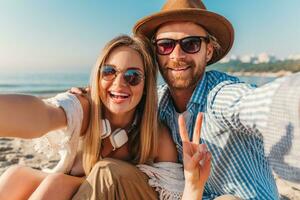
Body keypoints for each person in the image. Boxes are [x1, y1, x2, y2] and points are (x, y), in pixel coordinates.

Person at [72, 0, 300, 199]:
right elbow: (120, 103)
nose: (177, 55)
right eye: (165, 45)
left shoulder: (220, 97)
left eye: (191, 44)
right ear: (156, 52)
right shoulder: (157, 102)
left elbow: (258, 104)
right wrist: (89, 97)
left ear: (208, 51)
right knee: (106, 172)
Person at [0, 34, 212, 200]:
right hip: (86, 189)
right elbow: (43, 114)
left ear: (146, 86)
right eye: (109, 72)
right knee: (16, 175)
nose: (119, 83)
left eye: (132, 76)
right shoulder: (85, 106)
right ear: (98, 75)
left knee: (64, 182)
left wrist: (194, 182)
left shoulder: (156, 136)